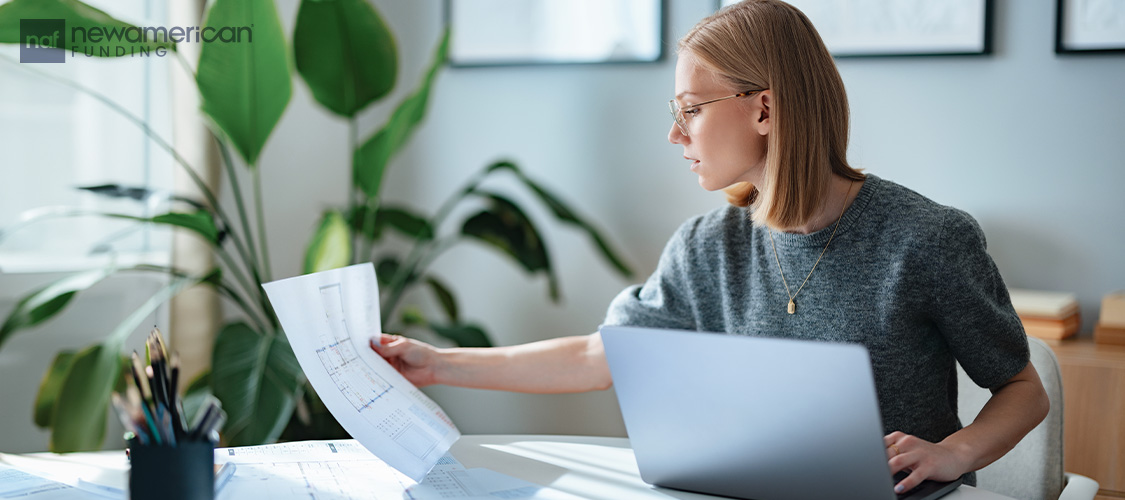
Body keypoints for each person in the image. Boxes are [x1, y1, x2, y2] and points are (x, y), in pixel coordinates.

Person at [370, 0, 1049, 495]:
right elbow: (599, 355)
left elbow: (1022, 388)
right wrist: (436, 365)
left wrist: (953, 455)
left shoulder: (926, 239)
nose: (675, 135)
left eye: (689, 109)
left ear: (763, 109)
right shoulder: (704, 245)